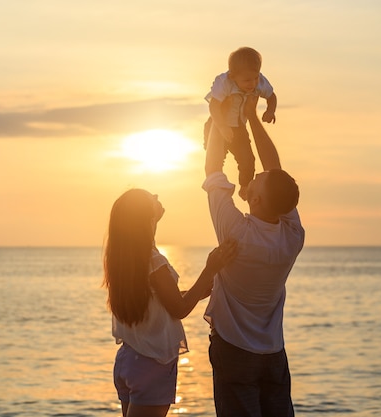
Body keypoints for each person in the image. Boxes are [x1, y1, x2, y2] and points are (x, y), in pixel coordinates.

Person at [203, 94, 304, 417]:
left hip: (234, 351)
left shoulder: (236, 232)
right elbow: (275, 171)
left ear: (257, 201)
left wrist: (221, 120)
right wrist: (252, 116)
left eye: (256, 181)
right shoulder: (292, 235)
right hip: (273, 353)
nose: (254, 176)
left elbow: (212, 168)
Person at [103, 188, 237, 417]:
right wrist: (210, 269)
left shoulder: (125, 258)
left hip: (129, 360)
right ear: (145, 216)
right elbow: (179, 308)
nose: (155, 196)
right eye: (149, 197)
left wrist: (195, 291)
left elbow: (157, 299)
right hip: (152, 362)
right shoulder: (153, 260)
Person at [204, 46, 277, 200]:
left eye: (255, 78)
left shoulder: (259, 82)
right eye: (246, 80)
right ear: (232, 76)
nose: (252, 83)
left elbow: (272, 96)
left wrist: (270, 111)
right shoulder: (224, 82)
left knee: (248, 160)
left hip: (239, 128)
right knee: (216, 159)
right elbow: (214, 106)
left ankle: (245, 186)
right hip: (216, 124)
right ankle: (215, 186)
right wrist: (222, 127)